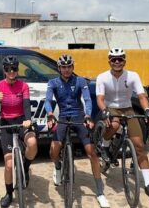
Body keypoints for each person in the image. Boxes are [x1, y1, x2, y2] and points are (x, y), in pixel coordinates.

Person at [96, 48, 149, 203]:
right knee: (115, 123)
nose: (117, 62)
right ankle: (105, 145)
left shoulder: (132, 76)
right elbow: (100, 98)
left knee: (139, 146)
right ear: (109, 61)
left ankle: (148, 184)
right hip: (111, 106)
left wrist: (147, 110)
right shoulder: (103, 77)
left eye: (120, 59)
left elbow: (142, 96)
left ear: (125, 60)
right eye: (114, 59)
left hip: (128, 108)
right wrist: (104, 111)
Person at [45, 54, 110, 208]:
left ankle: (100, 192)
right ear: (59, 68)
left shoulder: (80, 81)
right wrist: (49, 114)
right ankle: (58, 166)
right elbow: (48, 100)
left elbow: (87, 99)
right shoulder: (53, 82)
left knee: (91, 152)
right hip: (62, 117)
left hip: (79, 117)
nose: (66, 70)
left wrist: (88, 115)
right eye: (63, 67)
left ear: (72, 67)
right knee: (54, 151)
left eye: (69, 67)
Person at [0, 55, 39, 207]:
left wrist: (28, 119)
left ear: (18, 69)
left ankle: (25, 168)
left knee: (32, 143)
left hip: (21, 120)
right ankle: (8, 193)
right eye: (8, 69)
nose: (11, 71)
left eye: (14, 68)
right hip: (6, 122)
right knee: (8, 164)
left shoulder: (23, 86)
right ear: (4, 70)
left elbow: (26, 106)